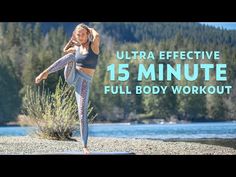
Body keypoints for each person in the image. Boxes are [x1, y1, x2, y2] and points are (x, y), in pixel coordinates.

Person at [35, 23, 100, 154]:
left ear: (87, 34)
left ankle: (85, 146)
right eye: (78, 35)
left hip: (84, 82)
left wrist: (87, 28)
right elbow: (65, 50)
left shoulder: (94, 47)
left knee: (82, 114)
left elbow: (97, 35)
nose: (80, 36)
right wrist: (72, 40)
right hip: (72, 76)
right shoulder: (76, 48)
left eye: (82, 34)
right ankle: (45, 73)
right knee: (70, 57)